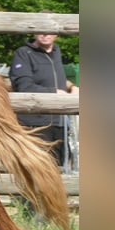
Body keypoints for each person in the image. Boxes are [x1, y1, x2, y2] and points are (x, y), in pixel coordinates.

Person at [9, 29, 80, 167]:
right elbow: (24, 87)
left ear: (56, 34)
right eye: (41, 31)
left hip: (59, 123)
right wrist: (54, 92)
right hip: (35, 124)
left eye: (50, 31)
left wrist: (71, 87)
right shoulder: (23, 53)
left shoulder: (56, 52)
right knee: (39, 171)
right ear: (34, 32)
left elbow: (55, 80)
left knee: (62, 169)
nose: (45, 34)